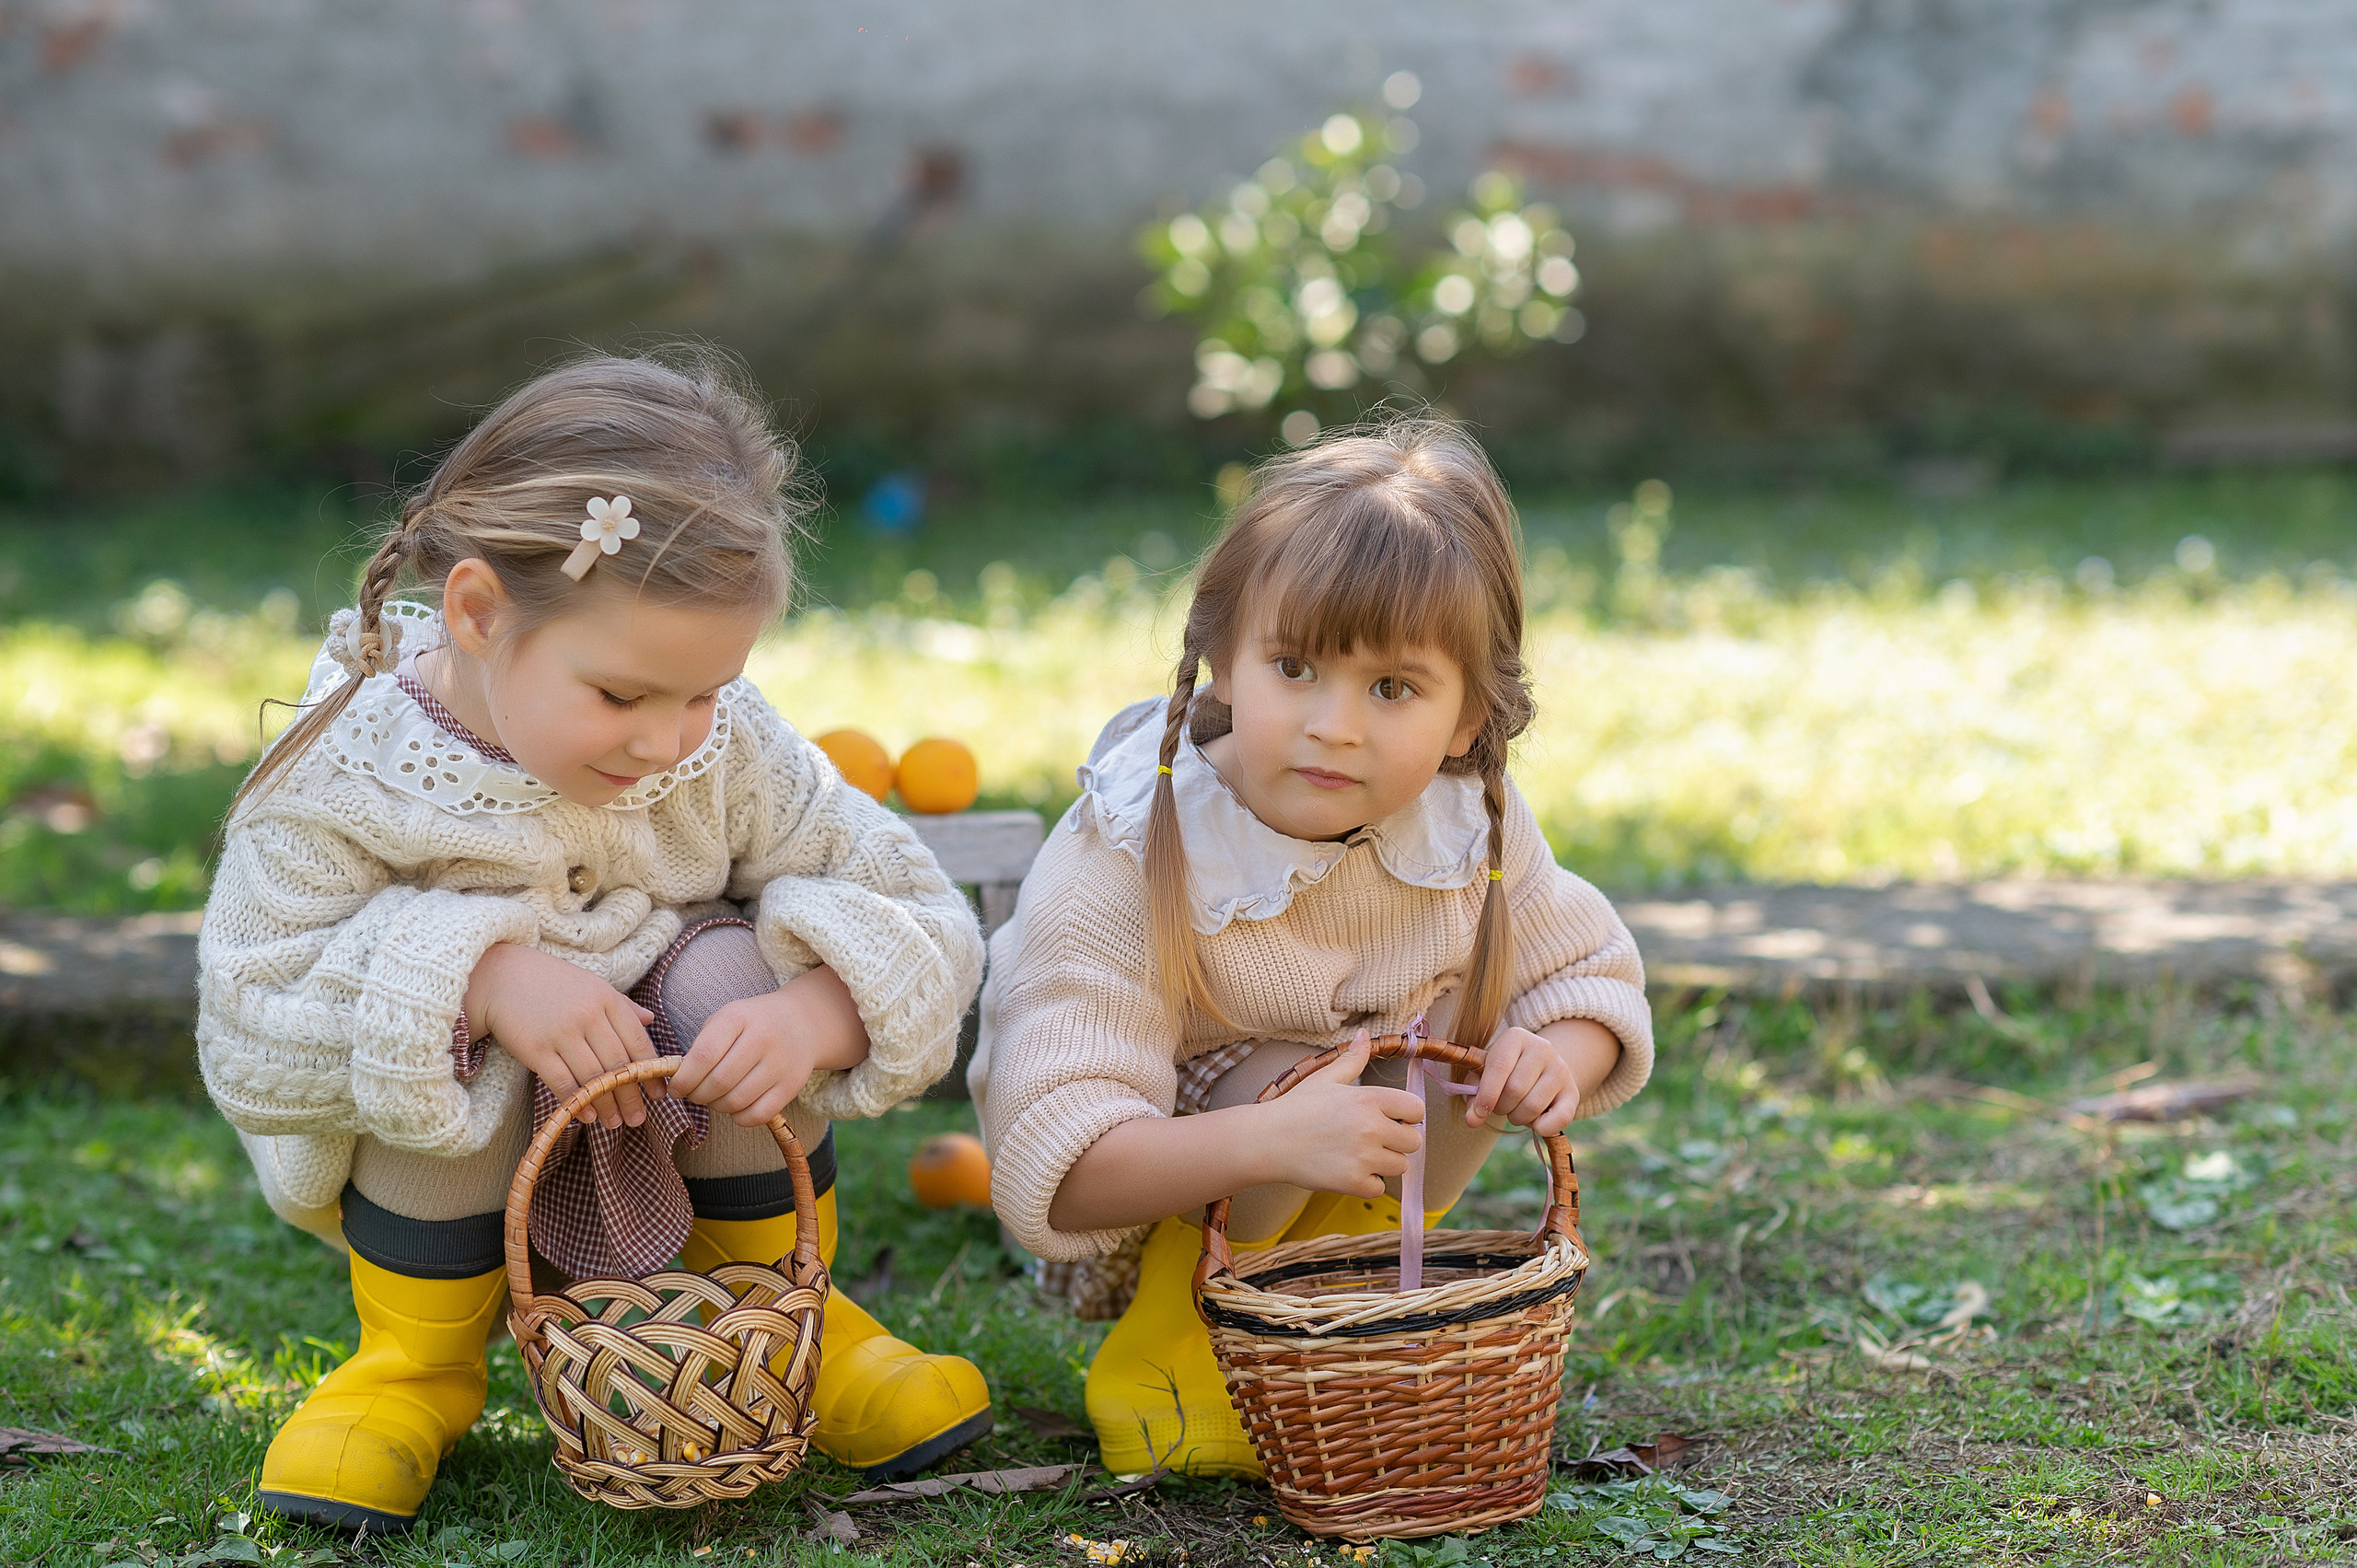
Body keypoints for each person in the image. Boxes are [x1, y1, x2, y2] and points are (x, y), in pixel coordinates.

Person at [197, 350, 991, 1533]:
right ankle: (413, 1368)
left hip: (678, 1121)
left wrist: (815, 1011)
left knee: (732, 970)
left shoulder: (729, 750)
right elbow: (253, 1005)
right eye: (622, 696)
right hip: (458, 1170)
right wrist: (479, 978)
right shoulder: (346, 770)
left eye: (705, 691)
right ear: (477, 613)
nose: (668, 739)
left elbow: (911, 901)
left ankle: (789, 1321)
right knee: (427, 1011)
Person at [972, 418, 1654, 1477]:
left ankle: (1351, 1301)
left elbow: (1585, 972)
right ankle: (1176, 1349)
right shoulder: (1132, 848)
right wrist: (1271, 1139)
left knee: (1463, 1028)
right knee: (1294, 1074)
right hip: (1161, 1190)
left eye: (1392, 687)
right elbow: (1060, 1166)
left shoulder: (1464, 820)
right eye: (1294, 666)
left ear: (1469, 715)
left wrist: (1553, 1054)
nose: (1334, 725)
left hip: (1352, 1159)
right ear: (1223, 662)